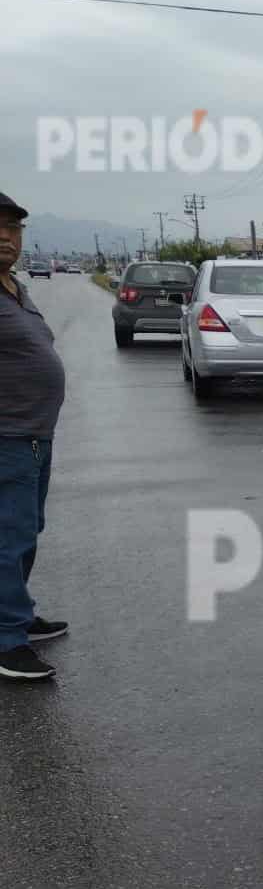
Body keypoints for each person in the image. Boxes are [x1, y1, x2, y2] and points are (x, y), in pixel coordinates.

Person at [0, 191, 69, 681]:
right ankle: (7, 641)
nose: (7, 236)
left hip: (32, 437)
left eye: (15, 228)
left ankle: (17, 616)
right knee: (9, 538)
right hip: (6, 437)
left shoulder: (15, 288)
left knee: (26, 533)